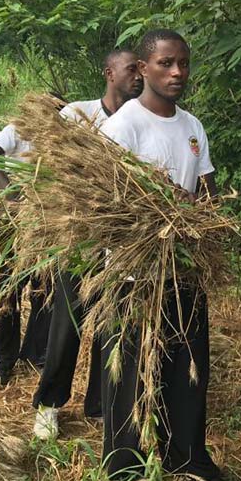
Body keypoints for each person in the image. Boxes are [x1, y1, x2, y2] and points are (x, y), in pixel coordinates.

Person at [98, 29, 241, 481]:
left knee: (188, 371)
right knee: (133, 376)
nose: (177, 72)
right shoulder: (124, 127)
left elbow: (206, 191)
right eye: (165, 63)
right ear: (142, 68)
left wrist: (206, 218)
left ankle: (189, 460)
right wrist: (166, 208)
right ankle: (128, 472)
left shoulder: (192, 126)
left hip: (184, 272)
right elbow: (106, 205)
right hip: (133, 274)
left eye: (183, 62)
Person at [32, 49, 143, 439]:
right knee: (68, 323)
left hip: (125, 244)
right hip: (81, 240)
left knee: (109, 323)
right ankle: (48, 404)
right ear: (109, 73)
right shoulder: (77, 115)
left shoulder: (143, 121)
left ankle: (98, 404)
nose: (138, 77)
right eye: (132, 70)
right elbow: (54, 172)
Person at [0, 121, 52, 387]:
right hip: (17, 225)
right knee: (7, 293)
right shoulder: (19, 129)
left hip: (48, 224)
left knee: (44, 291)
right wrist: (13, 197)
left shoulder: (63, 137)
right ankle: (0, 362)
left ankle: (36, 354)